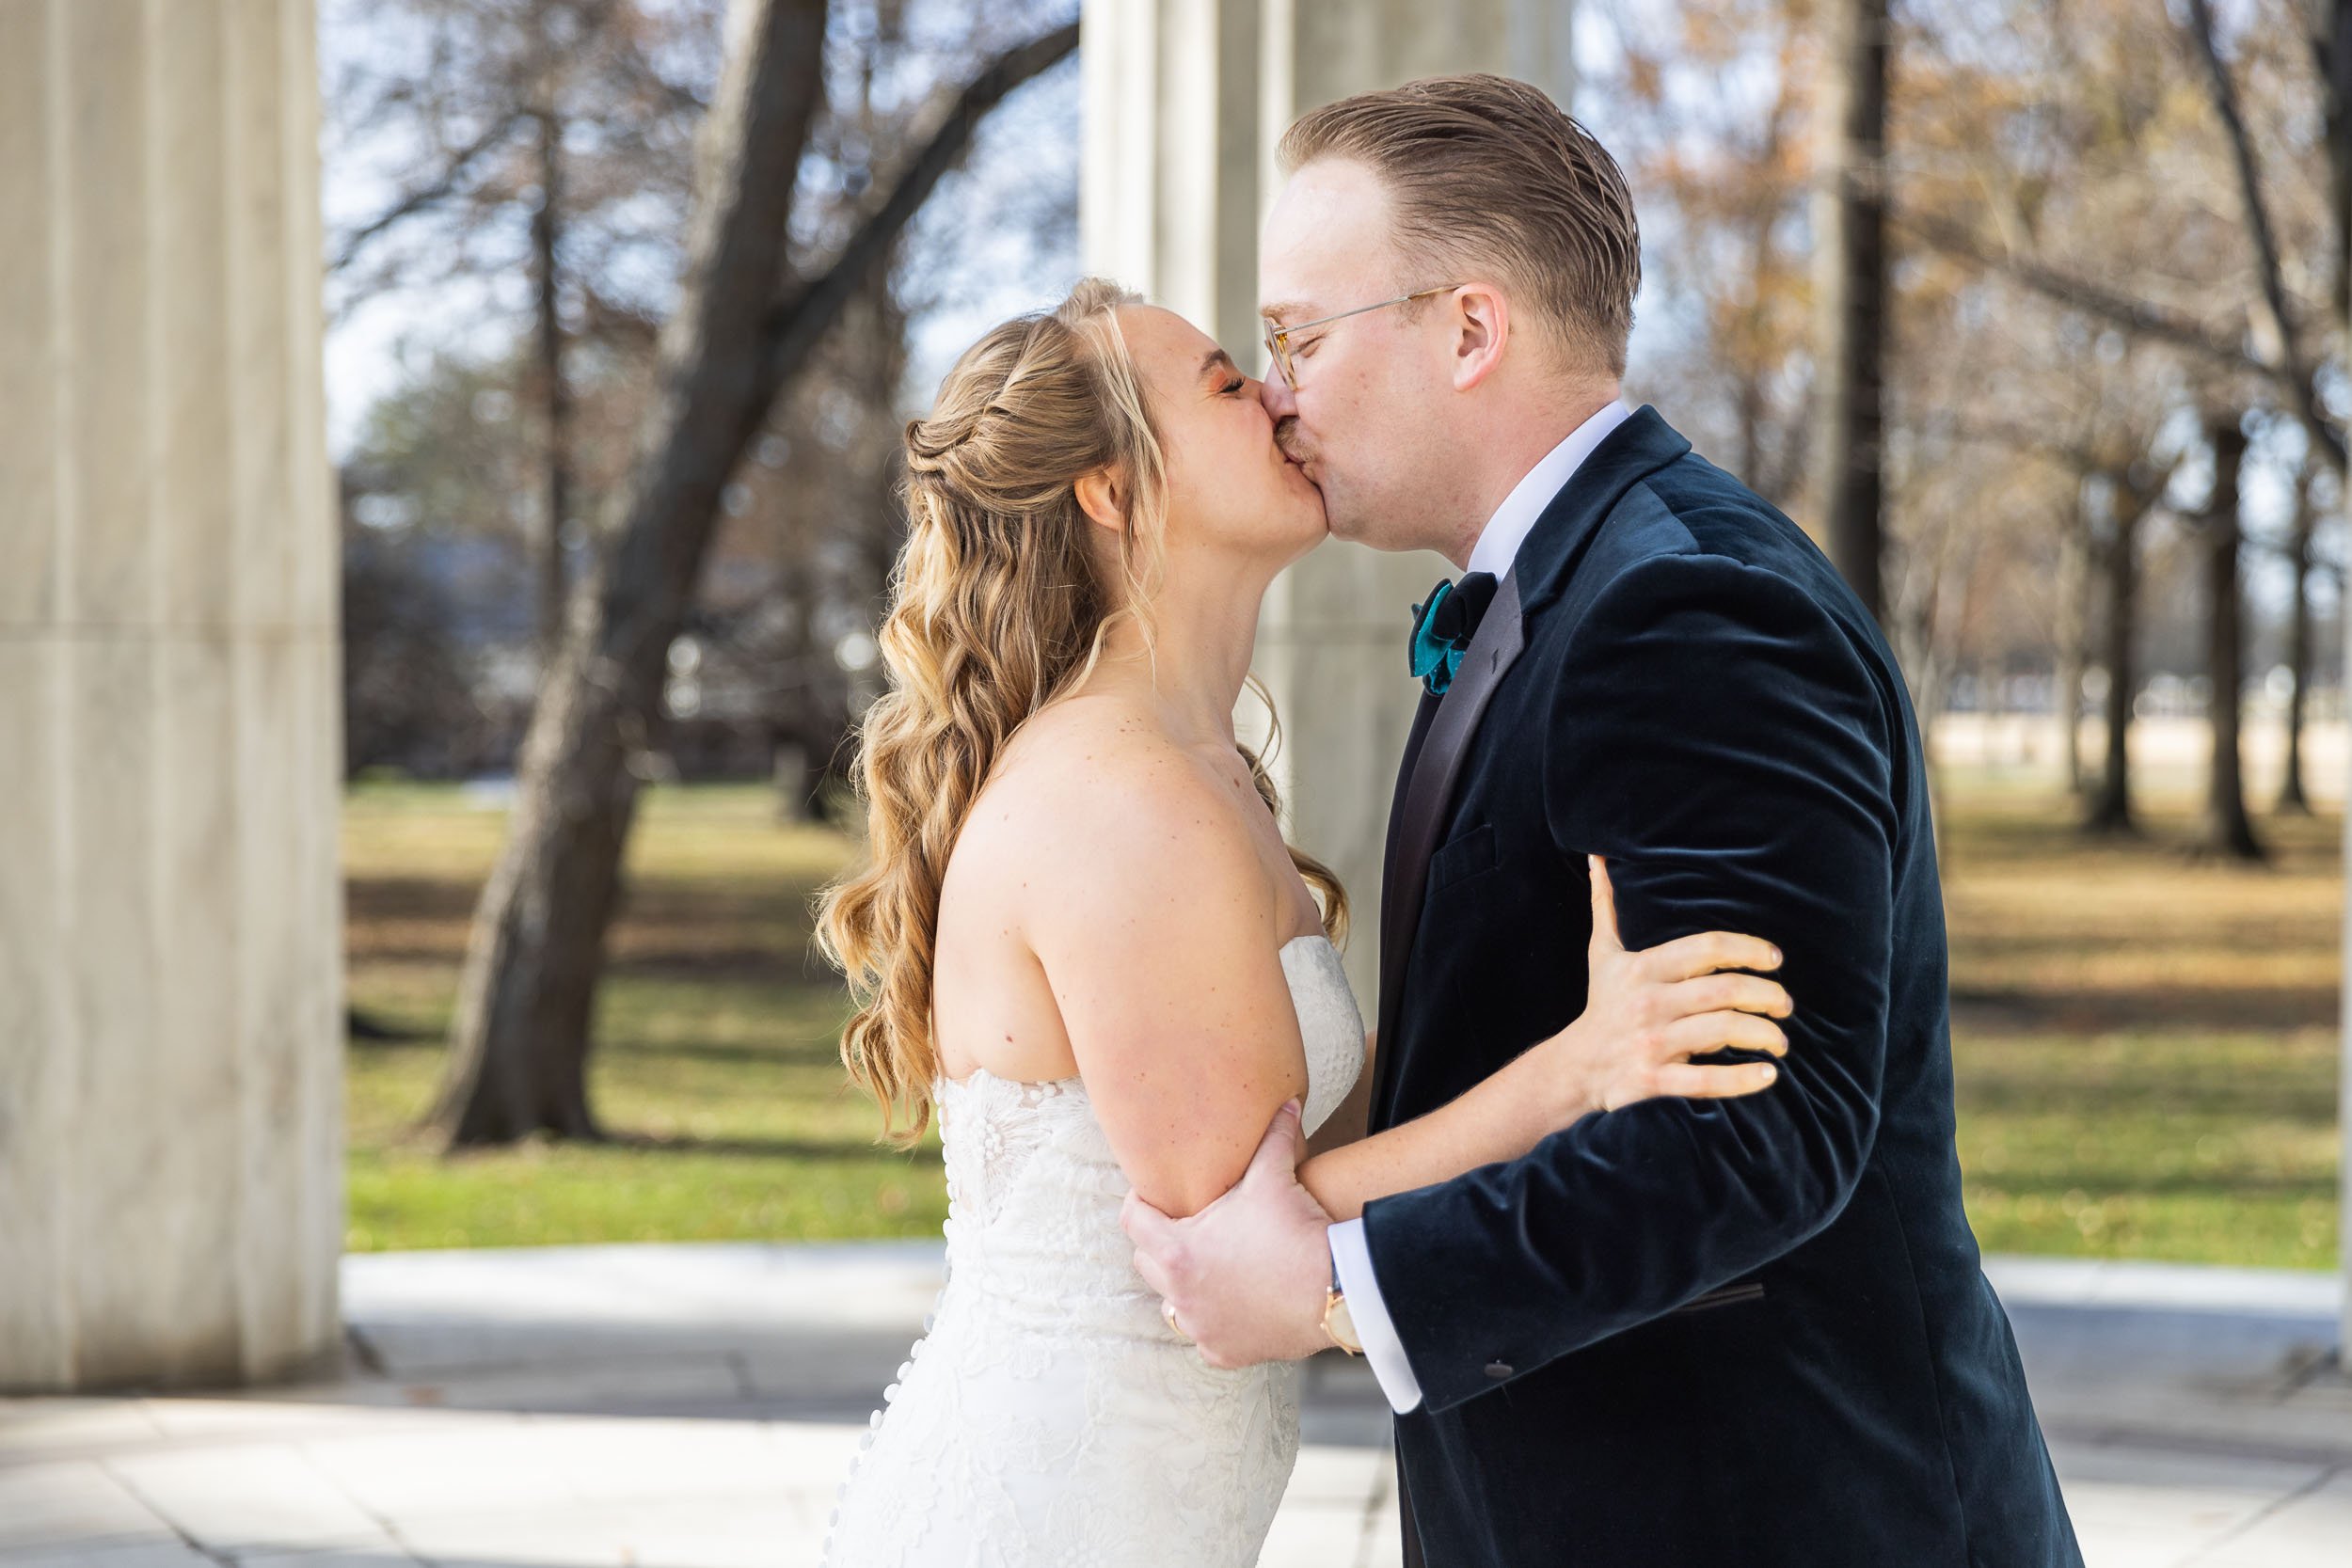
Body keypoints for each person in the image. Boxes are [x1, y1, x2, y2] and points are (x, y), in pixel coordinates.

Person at [1121, 72, 2084, 1567]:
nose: (1280, 388)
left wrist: (1332, 1290)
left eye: (1300, 336)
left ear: (1469, 329)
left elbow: (1754, 1136)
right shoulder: (1567, 586)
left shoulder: (1686, 609)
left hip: (1775, 1514)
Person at [813, 276, 1794, 1566]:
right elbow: (1241, 1239)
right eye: (1228, 382)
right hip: (1059, 1511)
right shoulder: (1118, 803)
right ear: (1111, 493)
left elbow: (1333, 1142)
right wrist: (1583, 1068)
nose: (1279, 397)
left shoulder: (1198, 767)